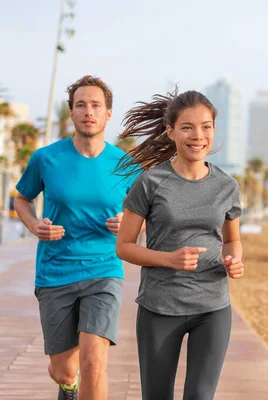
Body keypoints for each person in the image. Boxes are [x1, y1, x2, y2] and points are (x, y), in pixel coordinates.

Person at [14, 75, 139, 400]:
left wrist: (127, 224)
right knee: (65, 369)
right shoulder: (46, 158)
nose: (88, 111)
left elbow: (146, 214)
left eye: (96, 105)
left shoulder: (125, 165)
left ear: (108, 113)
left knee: (94, 360)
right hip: (55, 272)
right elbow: (21, 199)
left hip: (104, 270)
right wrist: (34, 225)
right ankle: (68, 387)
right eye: (81, 105)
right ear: (71, 113)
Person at [114, 89, 244, 400]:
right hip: (160, 307)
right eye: (187, 127)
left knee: (200, 396)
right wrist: (169, 259)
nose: (198, 135)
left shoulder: (227, 185)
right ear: (171, 131)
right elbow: (124, 246)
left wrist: (234, 260)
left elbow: (232, 239)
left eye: (206, 126)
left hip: (213, 307)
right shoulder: (150, 182)